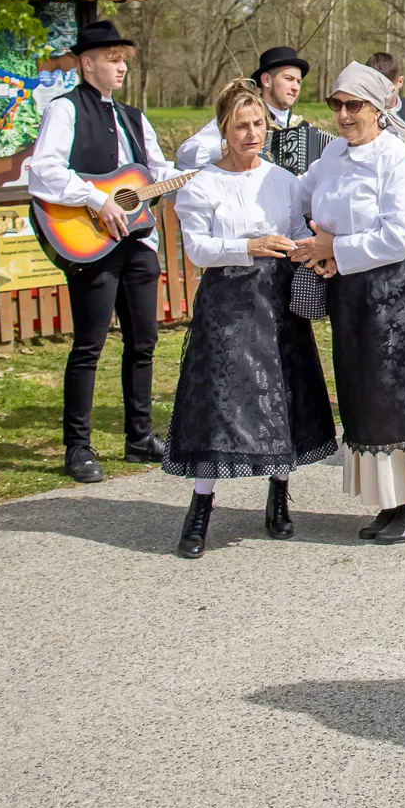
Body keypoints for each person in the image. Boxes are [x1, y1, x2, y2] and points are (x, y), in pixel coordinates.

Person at [295, 62, 405, 545]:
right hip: (353, 292)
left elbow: (400, 236)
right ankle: (392, 501)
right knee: (365, 396)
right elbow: (301, 198)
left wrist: (335, 248)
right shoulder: (332, 155)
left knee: (402, 397)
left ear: (377, 109)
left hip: (399, 294)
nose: (344, 115)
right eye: (336, 105)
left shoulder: (397, 158)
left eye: (354, 105)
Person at [164, 78, 337, 558]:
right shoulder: (203, 184)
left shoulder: (282, 180)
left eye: (259, 124)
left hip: (277, 298)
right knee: (219, 402)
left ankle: (279, 495)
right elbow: (198, 249)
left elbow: (299, 229)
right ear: (223, 129)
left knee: (280, 394)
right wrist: (248, 246)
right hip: (228, 300)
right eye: (241, 126)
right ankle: (201, 506)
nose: (252, 134)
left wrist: (311, 249)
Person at [25, 19, 176, 483]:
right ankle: (78, 447)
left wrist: (210, 174)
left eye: (124, 59)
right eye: (113, 59)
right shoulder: (65, 110)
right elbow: (44, 170)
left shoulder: (135, 118)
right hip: (91, 241)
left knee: (144, 342)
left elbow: (157, 172)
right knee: (89, 345)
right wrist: (96, 198)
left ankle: (139, 437)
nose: (122, 66)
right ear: (87, 64)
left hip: (138, 241)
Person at [174, 45, 318, 175]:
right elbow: (186, 156)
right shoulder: (238, 116)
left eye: (298, 82)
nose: (295, 87)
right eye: (289, 79)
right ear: (266, 80)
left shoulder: (303, 127)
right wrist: (233, 147)